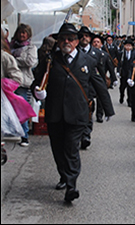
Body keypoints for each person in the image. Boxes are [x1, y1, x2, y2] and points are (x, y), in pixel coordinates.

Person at [32, 23, 115, 203]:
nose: (66, 42)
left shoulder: (87, 61)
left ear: (77, 41)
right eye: (63, 39)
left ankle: (71, 185)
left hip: (77, 114)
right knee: (58, 148)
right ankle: (64, 175)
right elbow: (38, 81)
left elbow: (99, 84)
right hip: (55, 113)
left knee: (71, 148)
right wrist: (38, 92)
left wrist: (108, 109)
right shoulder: (50, 60)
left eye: (70, 39)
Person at [10, 23, 38, 147]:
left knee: (21, 108)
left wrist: (13, 59)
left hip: (22, 82)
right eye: (20, 32)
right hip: (8, 81)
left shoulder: (31, 47)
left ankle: (24, 136)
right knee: (8, 108)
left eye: (24, 32)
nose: (22, 35)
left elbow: (30, 61)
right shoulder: (10, 45)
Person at [78, 27, 105, 149]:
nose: (85, 38)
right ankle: (78, 134)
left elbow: (100, 72)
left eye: (87, 36)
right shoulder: (75, 51)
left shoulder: (97, 53)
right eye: (82, 35)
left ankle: (86, 135)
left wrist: (102, 88)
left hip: (90, 89)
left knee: (89, 112)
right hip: (77, 88)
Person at [92, 35, 118, 123]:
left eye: (98, 42)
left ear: (101, 44)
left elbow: (110, 68)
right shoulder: (88, 54)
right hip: (90, 79)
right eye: (94, 42)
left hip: (101, 78)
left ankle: (99, 115)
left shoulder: (105, 55)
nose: (96, 43)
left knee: (100, 97)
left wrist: (114, 79)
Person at [117, 39, 135, 106]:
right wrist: (118, 71)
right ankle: (121, 96)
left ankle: (129, 100)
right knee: (122, 87)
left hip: (130, 73)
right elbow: (119, 62)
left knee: (130, 88)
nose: (128, 47)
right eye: (127, 45)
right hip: (123, 72)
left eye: (129, 46)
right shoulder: (122, 53)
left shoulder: (134, 53)